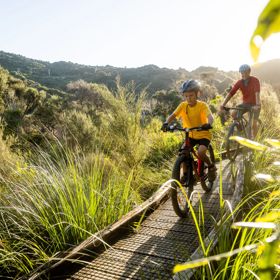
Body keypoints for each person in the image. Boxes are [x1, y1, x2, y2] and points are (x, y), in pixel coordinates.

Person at [161, 79, 217, 181]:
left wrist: (208, 124)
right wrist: (166, 123)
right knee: (183, 153)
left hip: (203, 135)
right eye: (186, 96)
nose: (188, 98)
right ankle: (186, 175)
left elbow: (210, 117)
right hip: (190, 135)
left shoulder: (202, 105)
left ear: (197, 94)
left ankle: (211, 166)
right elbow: (173, 115)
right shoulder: (183, 105)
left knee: (200, 152)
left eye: (191, 95)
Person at [219, 64, 261, 138]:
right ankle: (241, 128)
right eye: (242, 73)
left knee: (253, 124)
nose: (243, 74)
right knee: (233, 114)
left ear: (249, 71)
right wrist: (223, 104)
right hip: (245, 104)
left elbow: (257, 93)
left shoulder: (255, 80)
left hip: (255, 104)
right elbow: (231, 93)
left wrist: (257, 105)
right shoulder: (239, 82)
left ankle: (256, 141)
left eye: (245, 72)